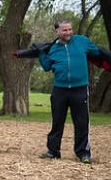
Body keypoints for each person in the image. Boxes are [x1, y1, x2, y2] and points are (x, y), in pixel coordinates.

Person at [37, 19, 102, 163]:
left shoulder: (82, 41)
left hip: (80, 88)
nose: (68, 33)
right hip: (60, 89)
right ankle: (53, 151)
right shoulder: (53, 48)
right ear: (57, 31)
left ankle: (83, 153)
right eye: (65, 30)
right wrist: (41, 53)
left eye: (70, 29)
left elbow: (97, 52)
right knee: (57, 121)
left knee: (81, 122)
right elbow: (47, 66)